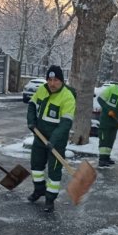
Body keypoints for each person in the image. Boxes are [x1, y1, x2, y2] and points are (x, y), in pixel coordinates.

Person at [26, 65, 76, 213]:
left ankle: (50, 199)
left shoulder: (67, 97)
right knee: (36, 166)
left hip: (57, 140)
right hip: (39, 135)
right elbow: (32, 105)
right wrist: (31, 121)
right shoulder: (42, 89)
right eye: (50, 80)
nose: (52, 84)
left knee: (54, 172)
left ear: (62, 81)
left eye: (56, 80)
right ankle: (39, 190)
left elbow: (66, 123)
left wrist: (53, 140)